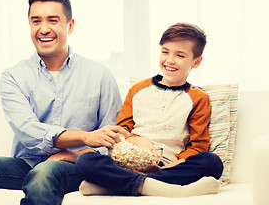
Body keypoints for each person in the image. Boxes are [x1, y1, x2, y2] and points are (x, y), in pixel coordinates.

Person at [0, 0, 129, 205]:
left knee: (45, 174)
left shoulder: (99, 75)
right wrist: (84, 136)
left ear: (70, 26)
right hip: (27, 164)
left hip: (77, 165)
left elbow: (112, 140)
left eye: (53, 20)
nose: (44, 29)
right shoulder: (13, 76)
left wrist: (78, 153)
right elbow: (29, 132)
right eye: (36, 21)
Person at [75, 23, 224, 197]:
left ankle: (119, 185)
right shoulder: (137, 89)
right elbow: (120, 133)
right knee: (85, 161)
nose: (170, 60)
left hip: (168, 165)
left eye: (180, 55)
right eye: (165, 51)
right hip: (130, 163)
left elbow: (198, 145)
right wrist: (139, 142)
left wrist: (175, 164)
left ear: (196, 61)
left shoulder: (198, 97)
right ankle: (164, 188)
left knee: (212, 163)